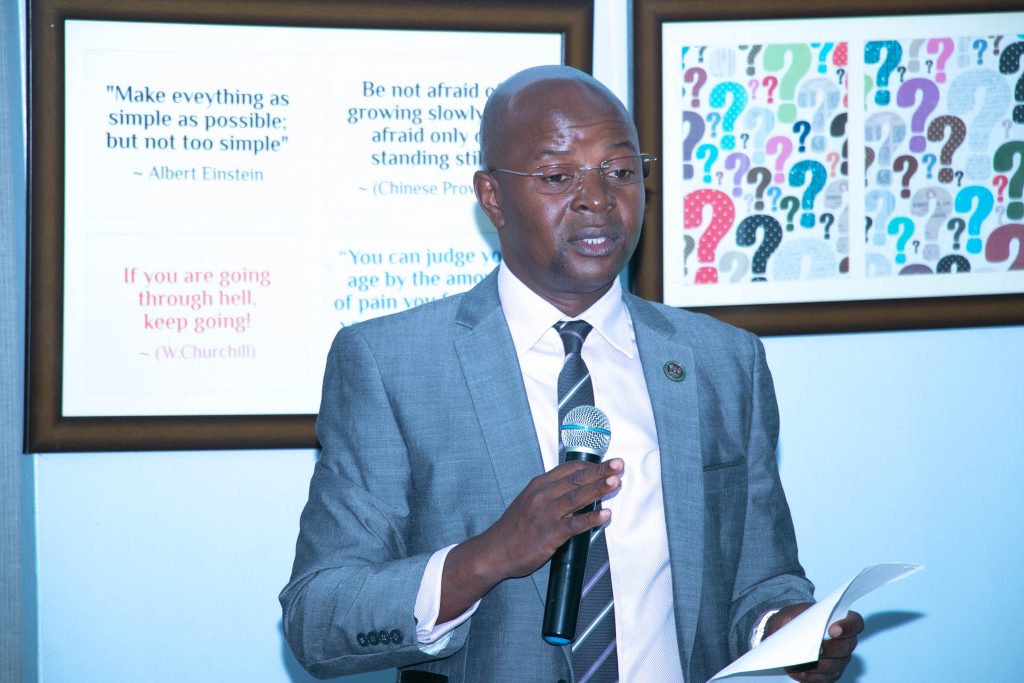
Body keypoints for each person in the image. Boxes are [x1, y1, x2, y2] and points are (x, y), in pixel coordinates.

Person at [280, 65, 863, 683]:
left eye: (621, 171)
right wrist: (491, 555)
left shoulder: (722, 361)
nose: (597, 199)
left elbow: (759, 576)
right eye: (559, 176)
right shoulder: (391, 363)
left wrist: (784, 629)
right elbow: (319, 618)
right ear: (492, 197)